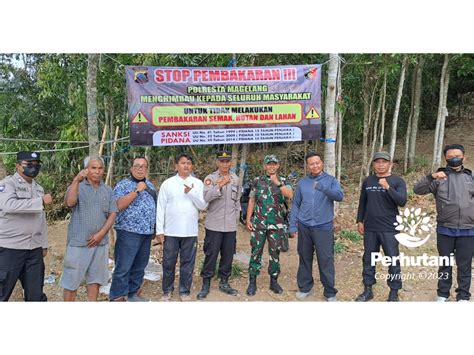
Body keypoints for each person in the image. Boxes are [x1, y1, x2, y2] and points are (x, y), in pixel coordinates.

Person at [414, 143, 474, 302]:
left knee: (465, 265)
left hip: (468, 230)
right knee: (445, 263)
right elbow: (418, 190)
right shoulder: (440, 178)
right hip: (445, 229)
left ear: (464, 157)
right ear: (445, 158)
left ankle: (463, 296)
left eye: (457, 157)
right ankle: (442, 294)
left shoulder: (470, 177)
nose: (454, 159)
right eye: (450, 157)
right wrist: (432, 176)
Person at [61, 156, 118, 302]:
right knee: (71, 281)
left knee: (95, 280)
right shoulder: (78, 186)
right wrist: (75, 180)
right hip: (79, 243)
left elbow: (112, 214)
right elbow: (70, 202)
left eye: (100, 168)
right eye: (93, 168)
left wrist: (101, 234)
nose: (97, 171)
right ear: (86, 170)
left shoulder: (107, 190)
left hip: (100, 243)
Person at [289, 151, 343, 301]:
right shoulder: (302, 183)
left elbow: (339, 196)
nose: (315, 165)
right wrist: (292, 225)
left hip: (323, 226)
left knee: (325, 259)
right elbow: (296, 204)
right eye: (311, 163)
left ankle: (330, 292)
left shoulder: (331, 180)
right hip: (304, 225)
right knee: (304, 257)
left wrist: (323, 188)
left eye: (317, 162)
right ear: (307, 166)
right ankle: (305, 287)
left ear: (322, 163)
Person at [355, 151, 407, 302]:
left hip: (389, 227)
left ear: (390, 164)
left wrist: (387, 187)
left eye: (384, 162)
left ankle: (394, 292)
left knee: (392, 259)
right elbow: (363, 202)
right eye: (378, 162)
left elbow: (402, 201)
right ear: (374, 165)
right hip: (370, 227)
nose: (381, 165)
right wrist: (360, 220)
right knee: (369, 259)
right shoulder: (368, 181)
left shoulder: (397, 181)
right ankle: (367, 289)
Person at [0, 151, 52, 301]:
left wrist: (43, 243)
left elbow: (40, 217)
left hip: (33, 249)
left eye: (36, 165)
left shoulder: (39, 188)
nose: (33, 167)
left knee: (35, 295)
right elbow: (8, 205)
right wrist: (40, 202)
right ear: (18, 166)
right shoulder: (7, 184)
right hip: (10, 248)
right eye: (29, 164)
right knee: (3, 292)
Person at [156, 152, 207, 301]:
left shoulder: (197, 183)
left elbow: (203, 205)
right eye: (183, 163)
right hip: (171, 231)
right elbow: (161, 207)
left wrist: (191, 193)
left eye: (189, 163)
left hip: (190, 231)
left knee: (187, 263)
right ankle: (167, 290)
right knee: (168, 262)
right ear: (176, 166)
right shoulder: (168, 183)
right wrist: (160, 230)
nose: (186, 166)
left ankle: (184, 291)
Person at [109, 157, 157, 302]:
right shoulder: (123, 185)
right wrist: (136, 191)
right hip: (128, 232)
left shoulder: (150, 186)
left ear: (147, 169)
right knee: (124, 266)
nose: (140, 169)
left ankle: (132, 293)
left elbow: (154, 207)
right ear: (131, 168)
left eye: (143, 166)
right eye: (137, 166)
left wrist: (154, 229)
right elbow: (117, 205)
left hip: (146, 233)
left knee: (139, 266)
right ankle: (117, 296)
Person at [245, 154, 293, 296]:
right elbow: (252, 201)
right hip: (258, 223)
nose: (271, 166)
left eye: (274, 164)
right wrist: (248, 219)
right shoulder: (257, 181)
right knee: (256, 252)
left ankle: (274, 281)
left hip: (276, 224)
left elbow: (290, 195)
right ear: (264, 166)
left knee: (275, 253)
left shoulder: (284, 181)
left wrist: (277, 182)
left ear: (278, 165)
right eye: (269, 164)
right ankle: (252, 282)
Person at [196, 150, 240, 300]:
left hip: (230, 226)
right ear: (217, 162)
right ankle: (206, 283)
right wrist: (220, 185)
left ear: (230, 163)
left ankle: (224, 282)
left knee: (227, 256)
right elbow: (206, 198)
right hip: (214, 225)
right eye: (222, 161)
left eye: (227, 161)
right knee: (211, 255)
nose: (225, 164)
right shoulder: (210, 178)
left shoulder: (235, 179)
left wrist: (236, 222)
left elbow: (237, 202)